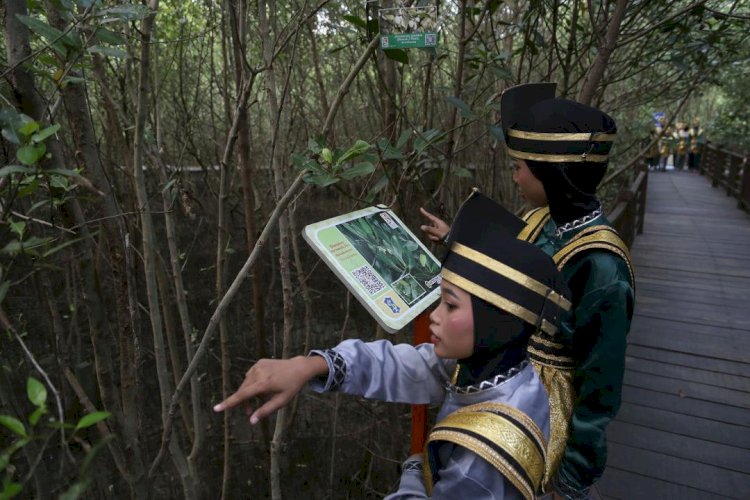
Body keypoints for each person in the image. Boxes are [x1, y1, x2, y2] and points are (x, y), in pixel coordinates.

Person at [215, 190, 572, 500]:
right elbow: (411, 364)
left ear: (497, 323)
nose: (434, 316)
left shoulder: (483, 455)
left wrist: (415, 474)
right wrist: (312, 365)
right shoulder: (502, 369)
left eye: (449, 304)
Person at [421, 83, 635, 499]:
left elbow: (602, 385)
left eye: (521, 166)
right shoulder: (540, 220)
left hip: (542, 409)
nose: (514, 174)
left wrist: (571, 480)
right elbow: (512, 278)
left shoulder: (602, 266)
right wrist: (454, 241)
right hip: (502, 374)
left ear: (554, 174)